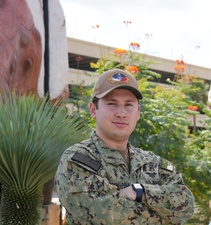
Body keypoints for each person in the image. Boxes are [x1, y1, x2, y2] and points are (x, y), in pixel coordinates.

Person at [55, 69, 195, 224]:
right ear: (93, 110)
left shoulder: (153, 162)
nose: (121, 113)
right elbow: (109, 217)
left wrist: (139, 192)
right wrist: (164, 216)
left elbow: (186, 205)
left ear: (138, 112)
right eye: (112, 104)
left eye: (129, 105)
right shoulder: (78, 159)